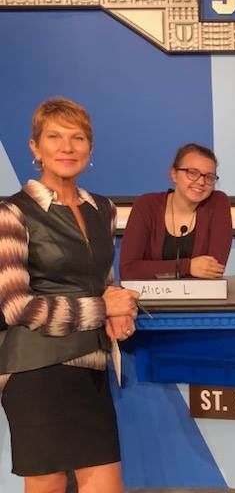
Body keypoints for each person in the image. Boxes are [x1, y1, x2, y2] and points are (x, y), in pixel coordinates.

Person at [0, 98, 139, 493]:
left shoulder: (103, 209)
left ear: (89, 148)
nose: (67, 147)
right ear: (35, 147)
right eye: (54, 137)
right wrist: (101, 308)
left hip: (91, 366)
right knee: (49, 482)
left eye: (77, 138)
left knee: (106, 483)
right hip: (35, 367)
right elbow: (15, 306)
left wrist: (118, 310)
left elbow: (102, 278)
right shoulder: (12, 213)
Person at [119, 143, 232, 280]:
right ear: (174, 174)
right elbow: (128, 270)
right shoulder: (147, 205)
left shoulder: (217, 203)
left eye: (209, 177)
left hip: (200, 293)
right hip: (148, 294)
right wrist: (187, 267)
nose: (201, 182)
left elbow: (213, 269)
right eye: (192, 173)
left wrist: (158, 269)